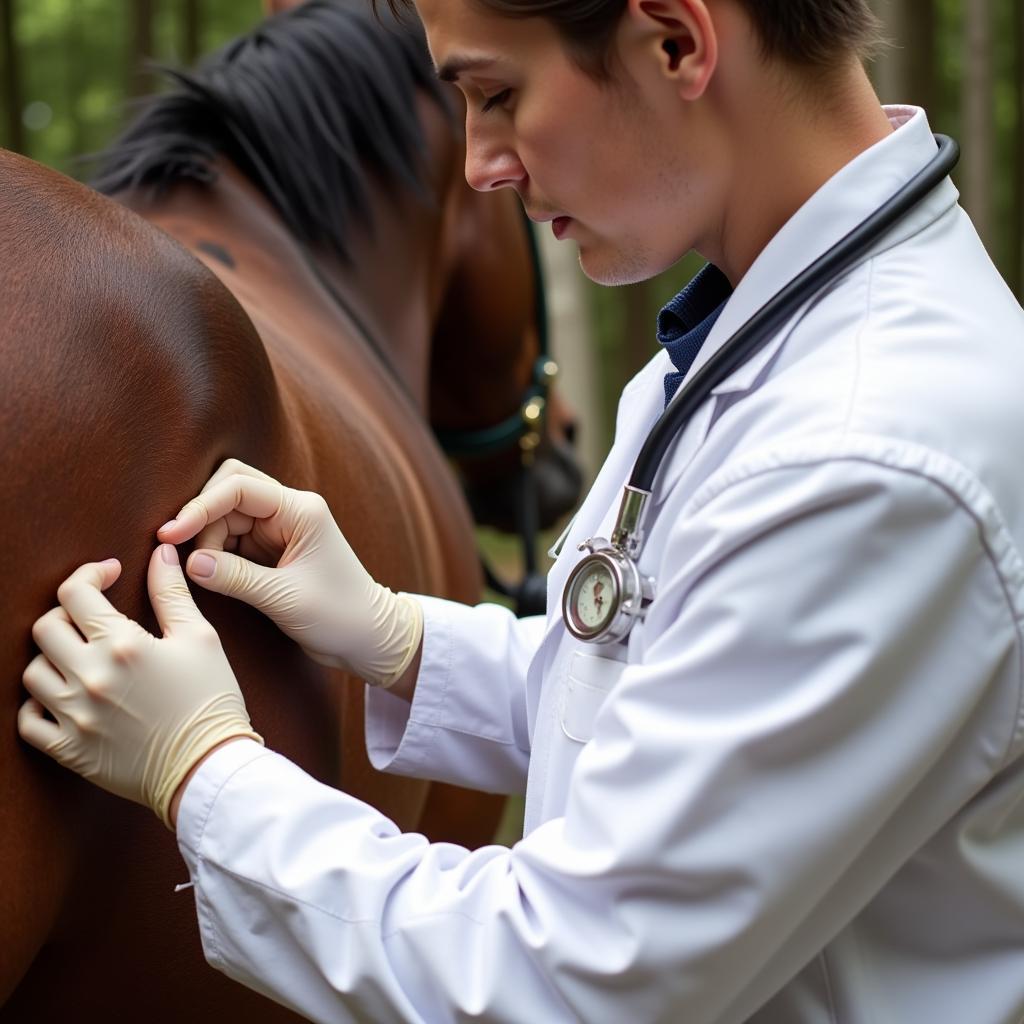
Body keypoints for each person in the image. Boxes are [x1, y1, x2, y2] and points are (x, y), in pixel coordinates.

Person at [18, 0, 1024, 1020]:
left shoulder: (864, 455)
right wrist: (398, 637)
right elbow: (665, 692)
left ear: (676, 40)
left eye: (496, 95)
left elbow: (572, 975)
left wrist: (202, 771)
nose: (478, 168)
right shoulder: (772, 336)